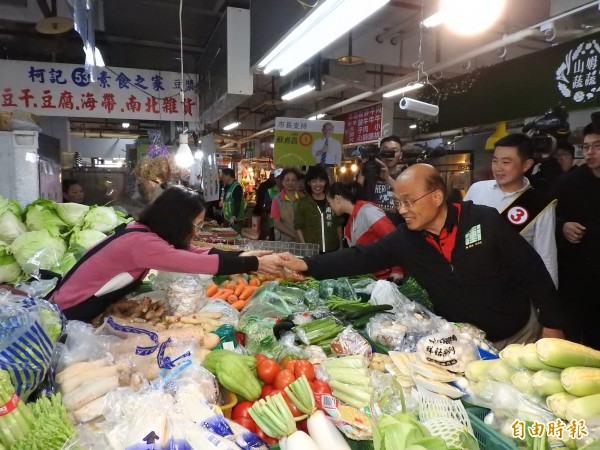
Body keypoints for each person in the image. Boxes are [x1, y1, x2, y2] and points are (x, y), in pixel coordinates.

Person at [280, 164, 564, 348]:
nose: (401, 210)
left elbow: (532, 270)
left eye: (408, 202)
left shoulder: (483, 221)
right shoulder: (406, 239)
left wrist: (552, 324)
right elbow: (359, 257)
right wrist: (306, 264)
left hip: (518, 337)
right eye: (397, 202)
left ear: (437, 197)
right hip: (465, 343)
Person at [51, 186, 284, 322]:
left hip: (76, 304)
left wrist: (246, 255)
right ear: (177, 221)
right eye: (197, 225)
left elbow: (196, 251)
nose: (197, 231)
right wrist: (252, 263)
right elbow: (192, 262)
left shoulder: (144, 233)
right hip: (71, 310)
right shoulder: (142, 243)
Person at [464, 133, 558, 287]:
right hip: (472, 281)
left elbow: (546, 256)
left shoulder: (540, 204)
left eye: (506, 162)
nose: (498, 168)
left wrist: (548, 301)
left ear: (526, 165)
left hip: (513, 288)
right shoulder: (477, 189)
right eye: (495, 161)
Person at [552, 122, 600, 349]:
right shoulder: (570, 182)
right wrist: (562, 226)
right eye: (586, 147)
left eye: (597, 146)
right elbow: (549, 216)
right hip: (577, 278)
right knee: (574, 344)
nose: (589, 153)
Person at [328, 181, 403, 281]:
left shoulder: (368, 211)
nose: (330, 207)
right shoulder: (350, 222)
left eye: (329, 203)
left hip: (388, 277)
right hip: (372, 277)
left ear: (337, 199)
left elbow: (393, 237)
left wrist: (397, 269)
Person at [294, 165, 343, 253]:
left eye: (321, 181)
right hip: (313, 251)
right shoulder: (303, 203)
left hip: (333, 249)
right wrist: (305, 247)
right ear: (309, 183)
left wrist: (341, 246)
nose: (318, 184)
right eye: (314, 181)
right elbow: (298, 227)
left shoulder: (333, 200)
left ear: (325, 182)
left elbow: (338, 224)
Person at [357, 135, 404, 225]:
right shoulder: (369, 171)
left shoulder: (405, 175)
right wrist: (363, 168)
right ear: (380, 153)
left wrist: (388, 178)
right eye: (386, 150)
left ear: (400, 155)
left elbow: (407, 195)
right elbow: (356, 195)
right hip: (372, 228)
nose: (390, 154)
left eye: (394, 151)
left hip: (396, 231)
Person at [271, 168, 302, 242]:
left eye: (293, 180)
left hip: (301, 240)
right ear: (283, 182)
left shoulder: (303, 198)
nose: (290, 183)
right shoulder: (276, 200)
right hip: (283, 242)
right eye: (287, 180)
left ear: (297, 182)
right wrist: (294, 235)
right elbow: (277, 223)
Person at [255, 169, 281, 240]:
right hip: (269, 218)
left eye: (282, 178)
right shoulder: (268, 189)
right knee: (267, 234)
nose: (280, 180)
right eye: (278, 178)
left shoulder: (286, 191)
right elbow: (260, 199)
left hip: (283, 222)